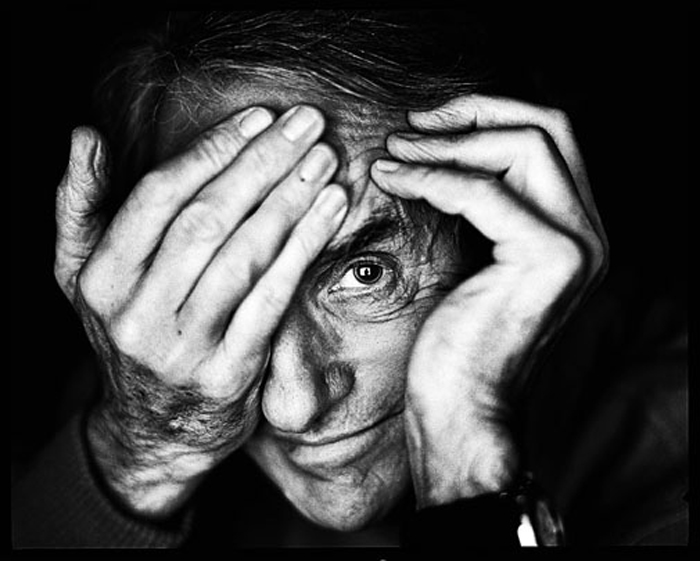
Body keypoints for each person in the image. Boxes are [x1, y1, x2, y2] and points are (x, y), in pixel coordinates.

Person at [11, 11, 687, 548]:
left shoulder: (669, 451)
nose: (293, 406)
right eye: (224, 289)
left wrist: (465, 467)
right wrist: (145, 455)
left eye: (365, 273)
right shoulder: (154, 379)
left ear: (493, 222)